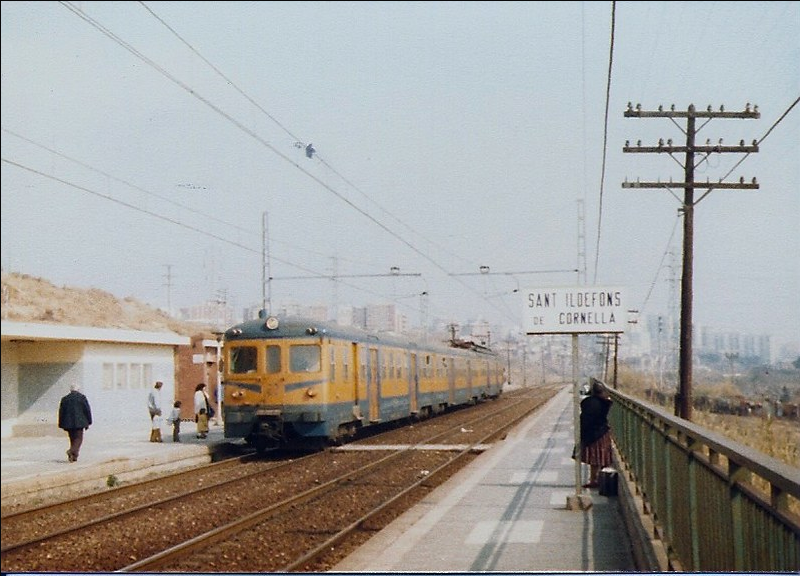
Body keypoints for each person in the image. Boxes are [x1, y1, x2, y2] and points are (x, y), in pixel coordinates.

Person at [578, 379, 613, 488]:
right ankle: (601, 479)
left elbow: (585, 418)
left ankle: (594, 479)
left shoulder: (588, 403)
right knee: (603, 457)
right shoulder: (606, 403)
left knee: (594, 459)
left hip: (591, 434)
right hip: (602, 432)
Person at [58, 383, 92, 463]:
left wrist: (61, 423)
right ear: (78, 390)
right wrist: (89, 421)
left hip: (68, 423)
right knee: (79, 439)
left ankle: (74, 456)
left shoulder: (65, 399)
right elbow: (87, 410)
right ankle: (71, 451)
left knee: (72, 439)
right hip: (80, 422)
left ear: (71, 390)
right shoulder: (82, 398)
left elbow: (61, 411)